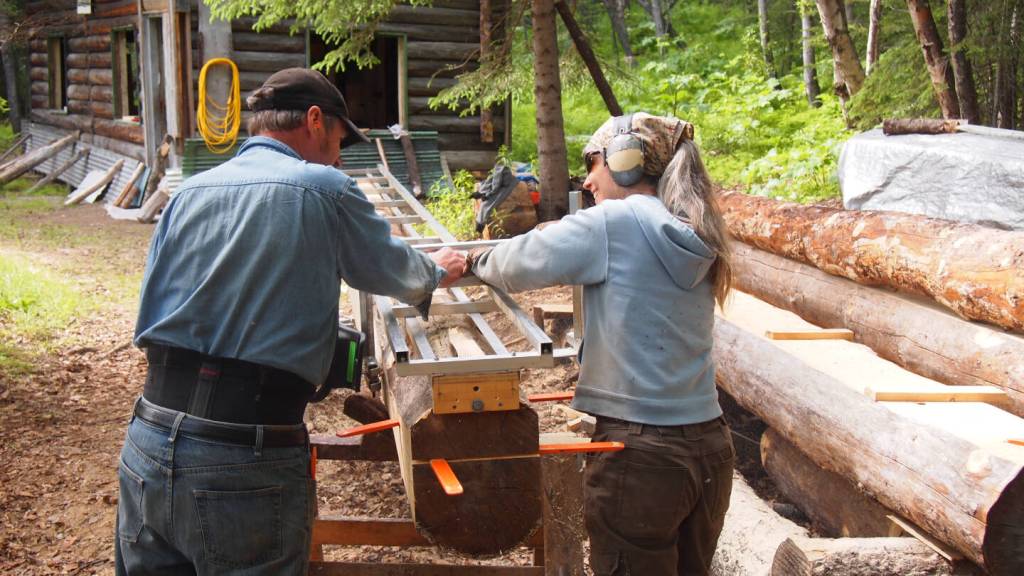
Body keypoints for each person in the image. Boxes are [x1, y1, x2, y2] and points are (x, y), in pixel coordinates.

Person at [114, 68, 467, 575]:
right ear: (316, 121)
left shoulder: (190, 191)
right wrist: (439, 270)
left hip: (147, 443)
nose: (340, 157)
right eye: (340, 141)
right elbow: (393, 271)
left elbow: (155, 309)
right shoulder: (323, 187)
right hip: (242, 456)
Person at [469, 112, 735, 576]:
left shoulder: (617, 221)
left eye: (594, 164)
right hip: (710, 447)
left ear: (626, 162)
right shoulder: (692, 229)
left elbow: (522, 261)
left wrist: (473, 259)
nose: (588, 180)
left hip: (642, 456)